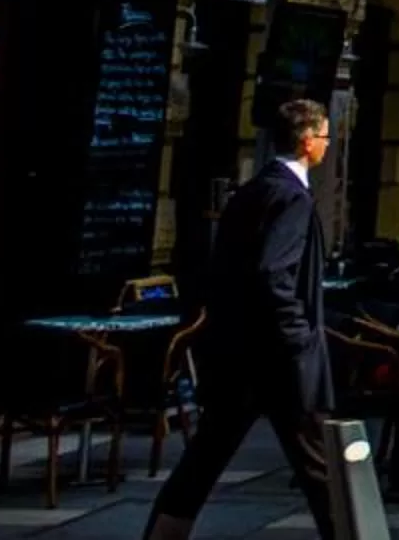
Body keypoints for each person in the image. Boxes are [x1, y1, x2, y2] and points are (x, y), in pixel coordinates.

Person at [142, 98, 337, 540]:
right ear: (307, 141)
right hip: (280, 358)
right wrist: (298, 337)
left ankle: (162, 534)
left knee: (206, 455)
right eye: (325, 136)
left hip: (237, 352)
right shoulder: (293, 198)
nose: (327, 145)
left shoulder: (251, 191)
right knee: (321, 466)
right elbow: (273, 272)